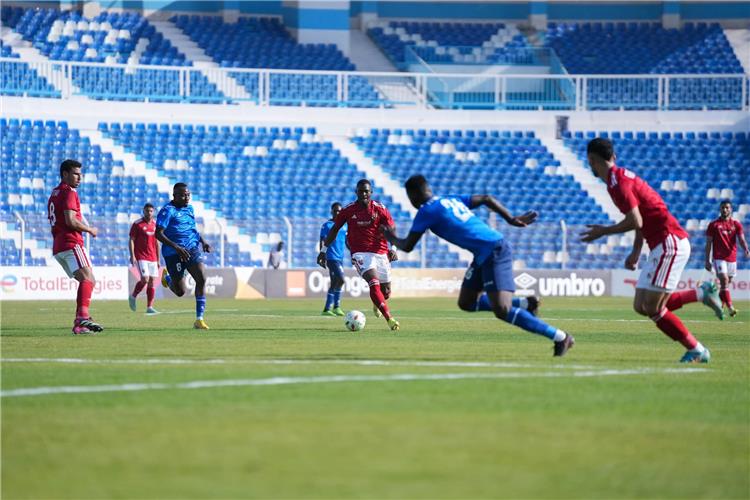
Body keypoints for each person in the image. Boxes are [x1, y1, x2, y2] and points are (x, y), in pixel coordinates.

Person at [383, 174, 574, 356]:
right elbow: (486, 198)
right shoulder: (449, 200)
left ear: (412, 196)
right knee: (467, 302)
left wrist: (389, 236)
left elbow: (407, 246)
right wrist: (511, 219)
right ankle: (525, 303)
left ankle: (561, 337)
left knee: (503, 310)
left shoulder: (426, 211)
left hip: (494, 251)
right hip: (484, 253)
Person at [581, 138, 723, 363]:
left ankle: (697, 349)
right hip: (661, 243)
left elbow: (635, 219)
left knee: (653, 308)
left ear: (591, 160)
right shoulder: (617, 179)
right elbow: (639, 218)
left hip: (669, 241)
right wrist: (637, 250)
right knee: (641, 306)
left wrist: (604, 231)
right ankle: (700, 294)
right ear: (614, 158)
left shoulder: (618, 184)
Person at [317, 179, 400, 330]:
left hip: (380, 252)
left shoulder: (380, 209)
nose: (363, 194)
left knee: (386, 291)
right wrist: (323, 250)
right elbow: (334, 230)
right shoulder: (348, 210)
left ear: (371, 193)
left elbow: (392, 228)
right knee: (373, 282)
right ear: (356, 192)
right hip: (360, 253)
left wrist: (393, 248)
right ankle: (390, 319)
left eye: (366, 191)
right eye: (360, 191)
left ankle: (377, 303)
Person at [47, 159, 104, 335]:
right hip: (71, 242)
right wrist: (90, 229)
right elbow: (71, 221)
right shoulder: (69, 193)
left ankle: (81, 322)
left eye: (80, 174)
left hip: (59, 245)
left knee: (85, 279)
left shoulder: (55, 193)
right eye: (76, 174)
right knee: (89, 279)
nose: (80, 178)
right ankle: (81, 318)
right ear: (65, 174)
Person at [156, 183, 212, 330]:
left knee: (202, 278)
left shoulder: (190, 208)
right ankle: (168, 279)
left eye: (187, 194)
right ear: (174, 196)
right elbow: (158, 233)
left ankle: (199, 319)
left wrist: (203, 241)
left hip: (192, 249)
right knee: (180, 292)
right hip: (173, 253)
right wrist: (176, 247)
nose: (186, 197)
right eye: (182, 195)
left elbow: (192, 229)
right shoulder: (167, 211)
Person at [705, 200, 749, 317]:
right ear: (720, 209)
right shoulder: (713, 225)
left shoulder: (736, 225)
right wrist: (707, 260)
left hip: (732, 259)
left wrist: (746, 249)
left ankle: (719, 307)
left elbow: (742, 239)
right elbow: (708, 243)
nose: (725, 210)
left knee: (726, 285)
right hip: (719, 258)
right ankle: (731, 308)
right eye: (723, 207)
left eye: (727, 208)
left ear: (731, 209)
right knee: (724, 281)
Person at [128, 203, 159, 314]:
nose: (149, 213)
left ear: (153, 212)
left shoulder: (155, 224)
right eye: (147, 211)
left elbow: (156, 243)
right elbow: (131, 240)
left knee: (152, 282)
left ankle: (149, 307)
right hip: (141, 256)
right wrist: (132, 256)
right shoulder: (137, 224)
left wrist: (158, 260)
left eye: (151, 211)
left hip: (153, 257)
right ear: (143, 211)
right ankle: (133, 296)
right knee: (145, 279)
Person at [320, 202, 348, 316]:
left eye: (339, 211)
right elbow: (321, 241)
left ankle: (328, 309)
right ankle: (335, 306)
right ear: (331, 211)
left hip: (340, 257)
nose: (337, 212)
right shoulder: (327, 225)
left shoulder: (344, 225)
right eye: (335, 210)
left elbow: (347, 242)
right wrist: (322, 254)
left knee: (334, 282)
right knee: (341, 279)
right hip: (331, 257)